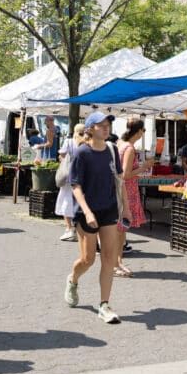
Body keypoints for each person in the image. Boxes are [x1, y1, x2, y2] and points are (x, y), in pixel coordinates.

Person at [63, 111, 131, 324]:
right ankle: (73, 279)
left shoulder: (111, 150)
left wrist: (126, 209)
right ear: (90, 128)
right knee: (88, 259)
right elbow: (75, 185)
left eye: (107, 124)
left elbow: (120, 181)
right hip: (87, 212)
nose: (106, 128)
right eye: (101, 125)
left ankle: (104, 304)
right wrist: (87, 211)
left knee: (109, 259)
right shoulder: (82, 153)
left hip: (109, 210)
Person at [115, 118, 152, 276]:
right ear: (138, 132)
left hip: (120, 189)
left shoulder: (120, 144)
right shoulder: (129, 148)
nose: (143, 134)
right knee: (121, 230)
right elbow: (126, 174)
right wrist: (143, 167)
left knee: (120, 230)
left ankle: (117, 263)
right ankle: (116, 264)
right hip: (126, 190)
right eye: (143, 131)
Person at [56, 123, 86, 242]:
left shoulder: (69, 142)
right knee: (80, 202)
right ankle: (80, 229)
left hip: (69, 176)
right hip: (83, 176)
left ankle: (69, 229)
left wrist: (65, 161)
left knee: (66, 200)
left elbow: (62, 155)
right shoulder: (87, 141)